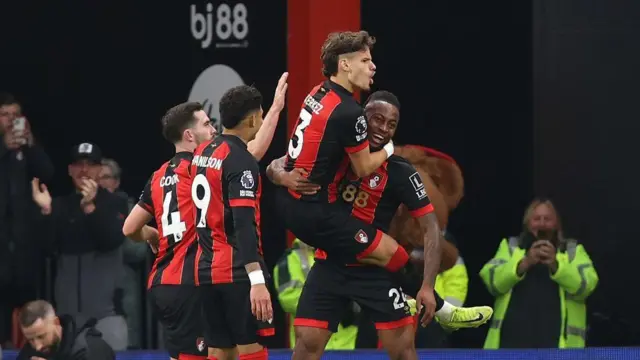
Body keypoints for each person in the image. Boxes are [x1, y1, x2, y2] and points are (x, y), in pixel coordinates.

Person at [268, 91, 493, 359]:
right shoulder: (334, 153)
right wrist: (280, 175)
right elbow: (278, 163)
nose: (383, 129)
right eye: (377, 119)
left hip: (375, 274)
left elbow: (430, 227)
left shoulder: (400, 171)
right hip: (330, 266)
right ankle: (445, 310)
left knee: (402, 351)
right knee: (306, 346)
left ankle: (443, 308)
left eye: (391, 124)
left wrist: (427, 287)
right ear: (361, 119)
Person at [277, 31, 440, 326]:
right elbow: (364, 167)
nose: (373, 66)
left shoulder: (316, 94)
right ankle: (435, 305)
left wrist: (278, 173)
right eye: (365, 60)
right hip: (315, 214)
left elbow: (289, 157)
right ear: (345, 64)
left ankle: (363, 300)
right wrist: (390, 148)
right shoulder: (350, 113)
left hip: (289, 204)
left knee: (366, 257)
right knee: (396, 255)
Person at [191, 85, 274, 360]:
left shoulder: (202, 153)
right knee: (252, 350)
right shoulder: (241, 160)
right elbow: (243, 224)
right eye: (260, 117)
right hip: (237, 273)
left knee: (219, 351)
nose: (261, 122)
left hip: (205, 271)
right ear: (251, 120)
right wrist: (257, 281)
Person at [31, 143, 128, 351]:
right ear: (69, 170)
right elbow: (47, 248)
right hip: (68, 320)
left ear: (100, 169)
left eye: (90, 165)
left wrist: (91, 208)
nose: (84, 170)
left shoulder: (115, 203)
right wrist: (47, 211)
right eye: (78, 164)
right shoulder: (60, 205)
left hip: (107, 316)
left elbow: (111, 240)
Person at [480, 198, 598, 349]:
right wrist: (524, 263)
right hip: (510, 347)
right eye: (537, 219)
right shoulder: (511, 247)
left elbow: (586, 286)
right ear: (528, 223)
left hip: (559, 349)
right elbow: (491, 281)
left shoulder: (572, 251)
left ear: (556, 224)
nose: (542, 224)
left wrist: (556, 266)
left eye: (547, 219)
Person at [0, 92, 54, 348]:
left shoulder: (29, 148)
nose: (11, 121)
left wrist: (30, 144)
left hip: (24, 249)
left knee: (27, 313)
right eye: (5, 115)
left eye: (16, 115)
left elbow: (48, 172)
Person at [16, 300, 114, 360]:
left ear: (56, 323)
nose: (37, 346)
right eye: (30, 340)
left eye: (41, 336)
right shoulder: (30, 351)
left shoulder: (91, 349)